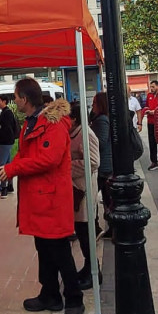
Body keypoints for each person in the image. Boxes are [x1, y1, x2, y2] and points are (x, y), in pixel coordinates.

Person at [0, 78, 83, 314]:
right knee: (44, 250)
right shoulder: (31, 124)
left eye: (15, 96)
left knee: (60, 251)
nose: (14, 101)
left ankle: (74, 299)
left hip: (51, 200)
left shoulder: (52, 124)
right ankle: (50, 294)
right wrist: (9, 165)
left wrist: (14, 168)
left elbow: (49, 159)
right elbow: (27, 154)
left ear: (24, 98)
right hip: (39, 199)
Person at [69, 101, 102, 290]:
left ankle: (94, 271)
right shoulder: (74, 133)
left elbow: (93, 162)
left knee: (86, 231)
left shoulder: (86, 134)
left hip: (83, 190)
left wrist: (67, 167)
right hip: (74, 188)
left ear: (73, 118)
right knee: (81, 232)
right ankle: (89, 267)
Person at [89, 92, 114, 231]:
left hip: (103, 165)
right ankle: (109, 227)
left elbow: (101, 142)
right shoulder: (101, 118)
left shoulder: (102, 120)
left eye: (94, 103)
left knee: (92, 197)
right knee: (107, 198)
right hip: (105, 164)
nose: (92, 106)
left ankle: (97, 226)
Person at [0, 94, 18, 198]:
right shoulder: (6, 112)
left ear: (4, 101)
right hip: (8, 141)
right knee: (8, 164)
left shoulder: (6, 114)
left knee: (1, 165)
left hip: (5, 142)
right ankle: (10, 185)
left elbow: (4, 129)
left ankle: (3, 188)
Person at [139, 81, 158, 170]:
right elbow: (147, 106)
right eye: (150, 87)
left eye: (153, 87)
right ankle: (154, 161)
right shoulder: (149, 96)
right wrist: (147, 110)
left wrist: (154, 111)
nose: (151, 89)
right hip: (150, 121)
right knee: (152, 142)